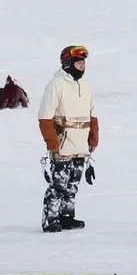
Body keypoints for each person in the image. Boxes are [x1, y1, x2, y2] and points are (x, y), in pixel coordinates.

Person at [39, 45, 98, 231]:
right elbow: (44, 116)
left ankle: (66, 216)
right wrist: (51, 141)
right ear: (67, 64)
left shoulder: (86, 86)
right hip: (62, 142)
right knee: (59, 184)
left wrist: (93, 137)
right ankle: (51, 219)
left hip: (81, 143)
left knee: (73, 183)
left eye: (83, 62)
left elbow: (92, 114)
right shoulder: (56, 85)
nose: (83, 66)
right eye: (79, 62)